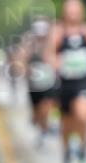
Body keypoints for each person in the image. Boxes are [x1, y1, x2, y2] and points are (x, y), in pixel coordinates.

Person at [47, 0, 86, 163]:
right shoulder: (58, 31)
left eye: (76, 8)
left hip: (83, 80)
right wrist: (56, 64)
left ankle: (82, 148)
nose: (73, 12)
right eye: (70, 9)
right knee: (66, 123)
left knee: (84, 115)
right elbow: (50, 54)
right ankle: (67, 154)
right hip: (65, 83)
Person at [16, 17, 59, 148]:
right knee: (37, 111)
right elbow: (20, 61)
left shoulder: (52, 43)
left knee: (46, 107)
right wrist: (25, 71)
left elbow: (56, 61)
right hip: (34, 84)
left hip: (49, 83)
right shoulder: (29, 45)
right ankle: (41, 129)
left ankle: (44, 131)